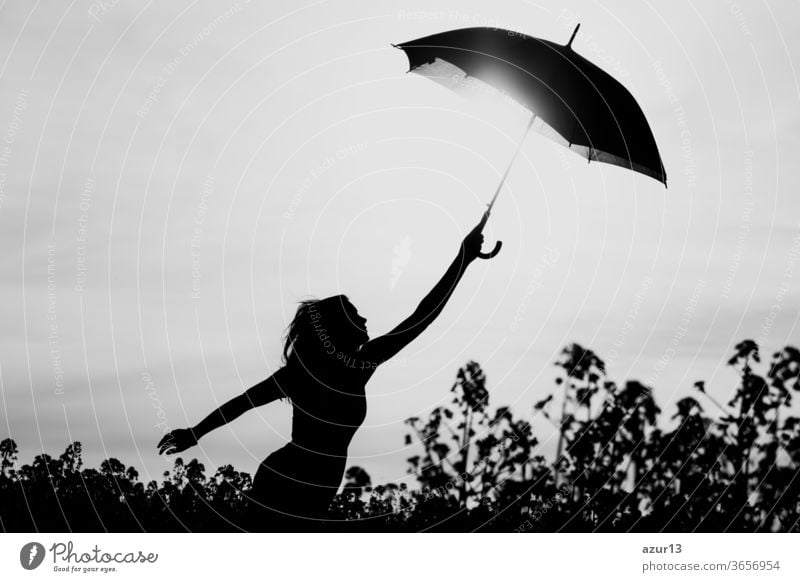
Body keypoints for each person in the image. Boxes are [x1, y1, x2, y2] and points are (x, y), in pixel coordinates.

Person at [157, 211, 498, 530]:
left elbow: (421, 317)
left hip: (311, 490)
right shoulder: (320, 372)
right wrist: (195, 432)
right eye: (354, 313)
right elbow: (242, 402)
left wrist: (463, 259)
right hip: (286, 482)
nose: (364, 319)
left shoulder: (346, 367)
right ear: (337, 329)